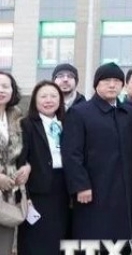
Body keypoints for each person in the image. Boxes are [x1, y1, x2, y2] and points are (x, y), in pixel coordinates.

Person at [62, 62, 132, 240]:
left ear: (122, 85)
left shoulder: (129, 114)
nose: (112, 85)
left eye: (116, 81)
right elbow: (71, 153)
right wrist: (80, 185)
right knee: (93, 237)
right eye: (106, 81)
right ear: (96, 84)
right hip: (93, 191)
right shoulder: (80, 113)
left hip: (125, 191)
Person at [18, 81, 68, 254]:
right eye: (43, 96)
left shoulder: (68, 122)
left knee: (60, 238)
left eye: (54, 96)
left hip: (64, 188)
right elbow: (21, 159)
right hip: (38, 189)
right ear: (35, 100)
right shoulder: (26, 124)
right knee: (37, 239)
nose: (49, 100)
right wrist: (26, 194)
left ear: (60, 100)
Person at [0, 72, 25, 252]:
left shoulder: (17, 116)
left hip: (9, 189)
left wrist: (26, 168)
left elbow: (25, 151)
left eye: (5, 86)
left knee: (5, 244)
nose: (1, 90)